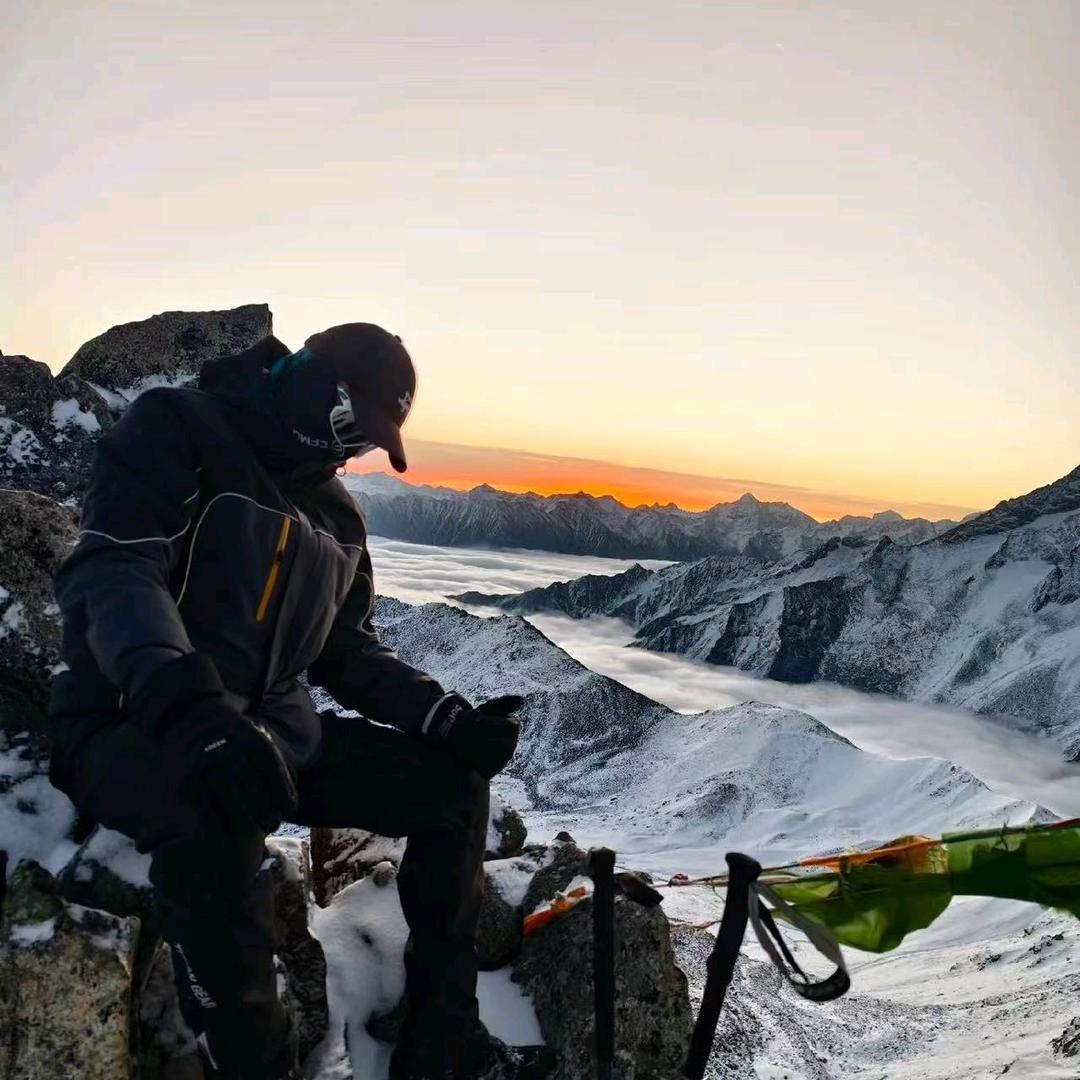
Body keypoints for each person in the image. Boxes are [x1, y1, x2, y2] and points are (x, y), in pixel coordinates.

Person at [46, 323, 524, 1080]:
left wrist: (446, 719)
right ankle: (250, 1058)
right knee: (211, 808)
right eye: (345, 425)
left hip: (269, 739)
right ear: (305, 378)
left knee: (453, 789)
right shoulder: (181, 427)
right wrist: (185, 698)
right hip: (135, 720)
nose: (345, 452)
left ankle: (442, 1035)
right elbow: (114, 570)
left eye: (363, 443)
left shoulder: (338, 519)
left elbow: (346, 650)